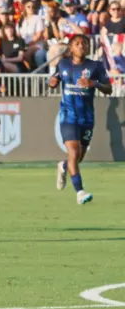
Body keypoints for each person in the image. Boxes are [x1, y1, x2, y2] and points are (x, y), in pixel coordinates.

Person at [50, 34, 112, 204]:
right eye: (77, 43)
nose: (81, 46)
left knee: (78, 157)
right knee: (74, 152)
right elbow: (53, 80)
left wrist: (94, 84)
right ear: (71, 48)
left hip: (87, 117)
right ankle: (80, 192)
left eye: (84, 43)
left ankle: (63, 166)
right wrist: (53, 81)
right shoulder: (63, 64)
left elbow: (109, 89)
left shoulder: (96, 66)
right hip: (68, 116)